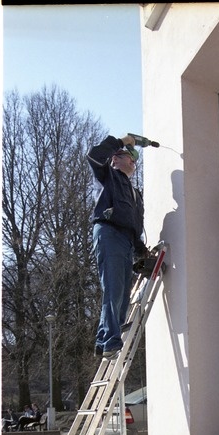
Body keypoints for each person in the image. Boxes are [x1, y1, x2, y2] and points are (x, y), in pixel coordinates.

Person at [87, 134, 148, 359]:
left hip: (126, 241)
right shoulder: (107, 176)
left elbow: (134, 224)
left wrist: (141, 250)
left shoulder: (135, 193)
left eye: (135, 158)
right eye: (128, 155)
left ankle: (104, 340)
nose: (134, 160)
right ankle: (111, 341)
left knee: (121, 296)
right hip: (109, 232)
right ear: (115, 158)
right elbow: (94, 156)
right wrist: (122, 140)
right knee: (113, 288)